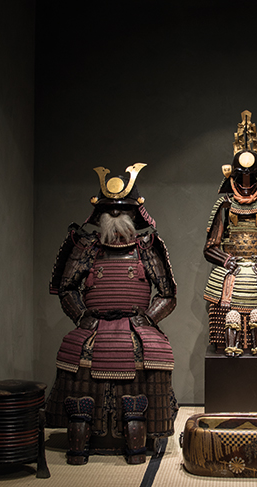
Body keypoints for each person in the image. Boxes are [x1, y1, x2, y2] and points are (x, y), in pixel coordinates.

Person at [45, 164, 177, 465]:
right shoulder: (87, 249)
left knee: (155, 353)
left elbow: (168, 293)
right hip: (94, 326)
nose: (116, 217)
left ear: (135, 215)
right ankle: (82, 431)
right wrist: (82, 316)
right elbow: (66, 288)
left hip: (136, 325)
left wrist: (149, 318)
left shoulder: (146, 249)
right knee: (74, 351)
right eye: (110, 211)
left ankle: (149, 428)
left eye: (122, 212)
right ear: (99, 214)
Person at [203, 111, 257, 357]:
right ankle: (229, 344)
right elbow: (210, 247)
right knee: (224, 315)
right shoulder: (224, 206)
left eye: (251, 177)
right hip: (229, 270)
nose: (246, 182)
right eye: (241, 177)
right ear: (231, 177)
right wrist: (226, 260)